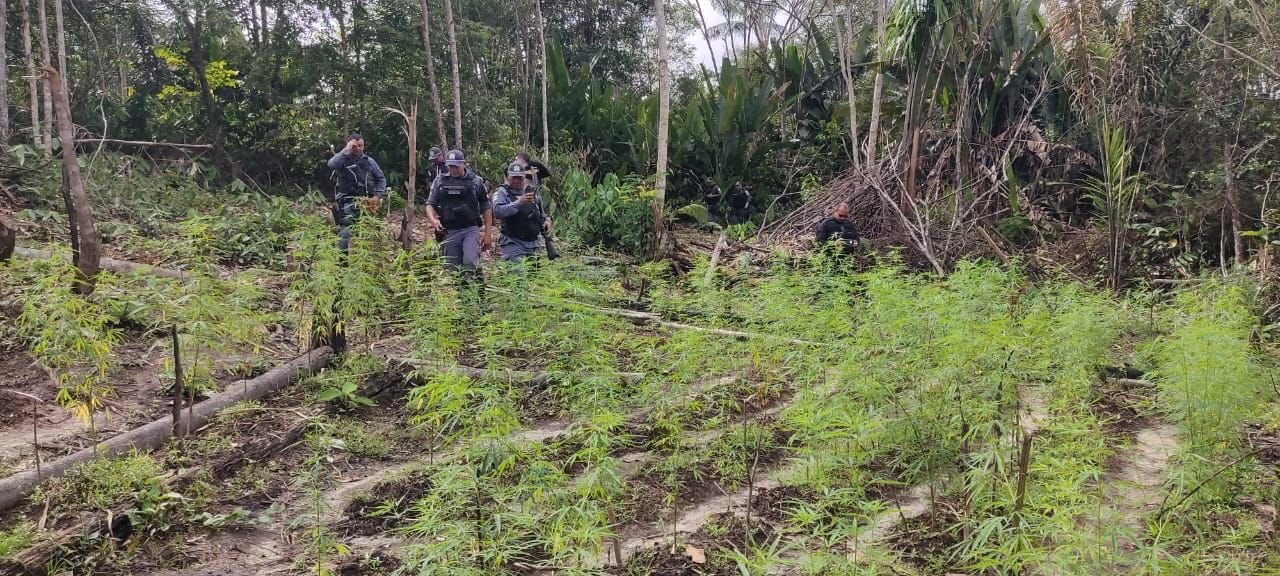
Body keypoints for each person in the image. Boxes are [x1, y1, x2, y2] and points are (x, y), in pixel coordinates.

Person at [426, 149, 493, 284]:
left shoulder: (476, 181)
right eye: (450, 166)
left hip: (470, 228)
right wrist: (433, 220)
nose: (453, 169)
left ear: (464, 164)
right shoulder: (440, 181)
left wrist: (488, 234)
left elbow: (486, 207)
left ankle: (480, 288)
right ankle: (464, 298)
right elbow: (430, 204)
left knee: (470, 262)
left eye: (456, 166)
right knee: (453, 269)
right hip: (450, 230)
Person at [327, 132, 386, 251]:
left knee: (369, 231)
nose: (358, 148)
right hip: (348, 201)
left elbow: (380, 179)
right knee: (347, 230)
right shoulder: (342, 160)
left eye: (361, 146)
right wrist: (346, 150)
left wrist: (377, 196)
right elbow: (331, 164)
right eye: (355, 146)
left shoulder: (369, 161)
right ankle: (342, 261)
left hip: (367, 202)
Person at [492, 162, 552, 263]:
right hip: (512, 242)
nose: (516, 180)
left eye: (519, 177)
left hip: (533, 244)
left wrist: (547, 221)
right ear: (508, 177)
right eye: (513, 177)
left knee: (533, 276)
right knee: (518, 276)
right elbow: (498, 211)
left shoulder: (532, 192)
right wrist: (519, 203)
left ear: (524, 177)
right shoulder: (502, 192)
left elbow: (543, 213)